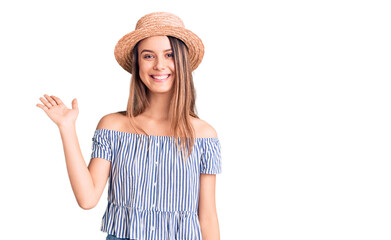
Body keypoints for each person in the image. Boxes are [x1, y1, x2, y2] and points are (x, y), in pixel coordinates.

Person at [36, 12, 222, 240]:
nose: (159, 65)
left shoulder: (203, 135)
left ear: (182, 62)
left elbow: (208, 217)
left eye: (169, 54)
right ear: (137, 64)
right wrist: (66, 127)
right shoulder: (113, 126)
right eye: (148, 56)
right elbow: (87, 199)